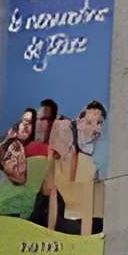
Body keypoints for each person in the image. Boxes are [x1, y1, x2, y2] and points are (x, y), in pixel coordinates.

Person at [49, 100, 107, 236]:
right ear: (79, 122)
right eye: (89, 123)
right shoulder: (64, 128)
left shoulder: (92, 151)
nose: (96, 129)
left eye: (99, 123)